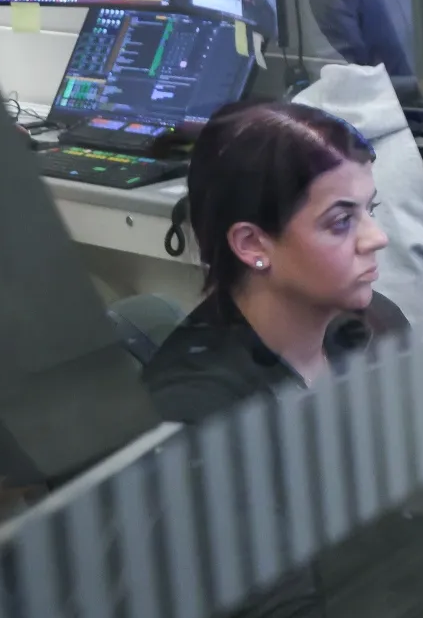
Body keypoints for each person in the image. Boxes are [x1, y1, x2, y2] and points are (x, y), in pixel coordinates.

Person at [146, 101, 399, 425]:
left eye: (370, 209)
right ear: (252, 244)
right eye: (341, 221)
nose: (377, 237)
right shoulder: (200, 414)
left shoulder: (378, 325)